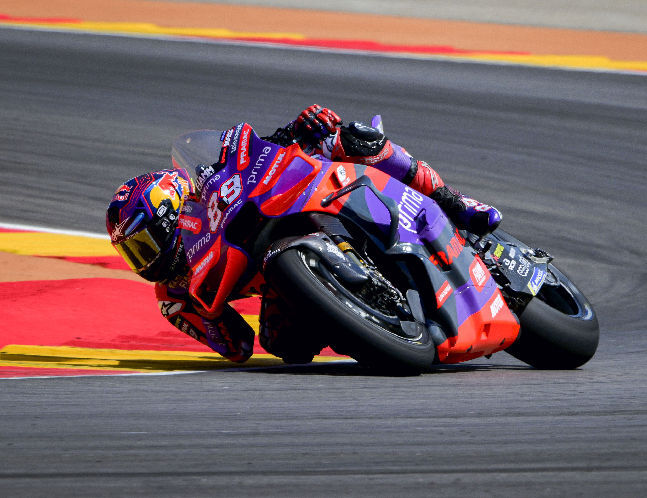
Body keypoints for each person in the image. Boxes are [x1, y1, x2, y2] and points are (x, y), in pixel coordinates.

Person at [106, 105, 502, 364]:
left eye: (144, 242)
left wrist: (298, 127)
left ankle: (453, 201)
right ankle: (368, 319)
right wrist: (203, 318)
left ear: (172, 211)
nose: (145, 259)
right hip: (280, 278)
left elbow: (252, 154)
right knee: (284, 347)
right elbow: (237, 347)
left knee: (350, 138)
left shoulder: (207, 186)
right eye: (133, 254)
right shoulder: (173, 297)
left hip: (299, 198)